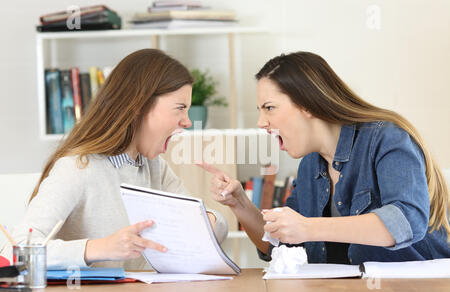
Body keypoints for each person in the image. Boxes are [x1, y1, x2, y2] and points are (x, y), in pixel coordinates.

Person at [198, 51, 449, 264]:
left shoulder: (386, 139)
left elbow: (407, 221)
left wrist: (308, 227)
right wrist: (239, 203)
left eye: (270, 108)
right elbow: (281, 246)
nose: (261, 122)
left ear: (307, 105)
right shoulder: (311, 164)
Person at [0, 49, 227, 269]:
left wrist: (206, 219)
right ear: (140, 105)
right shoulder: (78, 167)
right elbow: (17, 250)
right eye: (180, 108)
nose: (187, 122)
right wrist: (99, 248)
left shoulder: (154, 167)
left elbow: (219, 229)